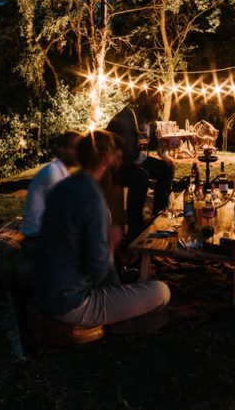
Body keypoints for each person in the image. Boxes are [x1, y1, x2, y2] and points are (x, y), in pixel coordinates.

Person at [34, 130, 171, 329]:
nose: (119, 160)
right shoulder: (93, 199)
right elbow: (98, 271)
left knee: (125, 284)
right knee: (161, 291)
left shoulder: (62, 187)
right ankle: (122, 326)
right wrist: (111, 244)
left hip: (44, 290)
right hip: (71, 304)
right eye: (116, 155)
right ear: (106, 158)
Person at [106, 89, 174, 241]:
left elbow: (151, 144)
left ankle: (158, 216)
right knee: (140, 177)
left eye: (160, 103)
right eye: (156, 103)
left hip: (135, 160)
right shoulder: (127, 119)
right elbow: (128, 153)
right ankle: (134, 231)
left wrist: (164, 155)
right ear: (144, 102)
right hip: (115, 165)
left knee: (166, 169)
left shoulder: (145, 119)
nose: (159, 107)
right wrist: (142, 156)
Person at [20, 131, 81, 241]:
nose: (79, 153)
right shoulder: (53, 172)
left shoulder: (62, 172)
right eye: (75, 148)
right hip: (38, 237)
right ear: (62, 149)